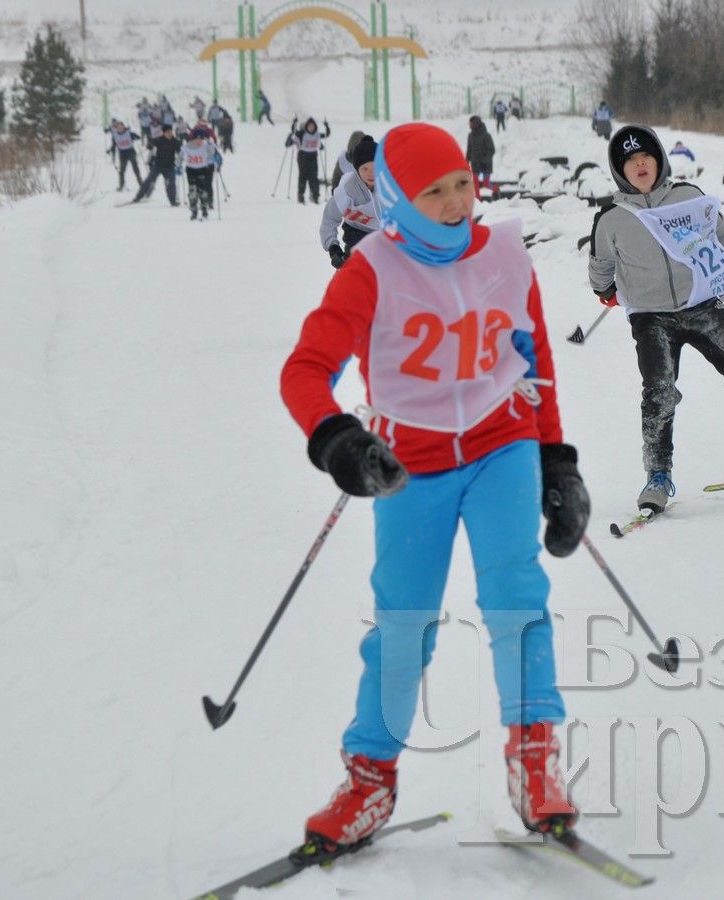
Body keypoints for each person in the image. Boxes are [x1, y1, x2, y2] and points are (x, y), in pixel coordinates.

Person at [280, 121, 589, 850]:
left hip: (499, 443)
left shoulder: (506, 255)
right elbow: (303, 370)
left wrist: (557, 461)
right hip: (407, 466)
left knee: (517, 596)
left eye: (461, 185)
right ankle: (368, 782)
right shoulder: (370, 271)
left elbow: (534, 358)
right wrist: (337, 439)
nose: (456, 203)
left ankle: (534, 759)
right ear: (395, 200)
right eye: (434, 192)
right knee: (402, 623)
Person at [587, 124, 724, 513]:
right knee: (659, 394)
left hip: (701, 305)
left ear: (659, 160)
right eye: (631, 161)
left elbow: (720, 232)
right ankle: (658, 475)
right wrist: (604, 289)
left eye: (647, 157)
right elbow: (601, 265)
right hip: (651, 318)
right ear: (620, 170)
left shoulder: (687, 197)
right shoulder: (612, 219)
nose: (641, 164)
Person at [320, 135, 380, 266]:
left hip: (385, 237)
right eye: (365, 169)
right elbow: (329, 219)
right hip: (356, 237)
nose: (370, 173)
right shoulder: (347, 191)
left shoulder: (389, 186)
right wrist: (333, 248)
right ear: (356, 169)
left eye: (374, 168)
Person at [132, 122, 181, 206]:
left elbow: (180, 152)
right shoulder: (159, 140)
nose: (169, 134)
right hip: (158, 166)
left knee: (171, 184)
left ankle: (173, 201)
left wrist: (180, 160)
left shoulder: (175, 141)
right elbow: (150, 146)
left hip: (169, 167)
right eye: (167, 132)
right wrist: (149, 145)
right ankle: (138, 196)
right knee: (148, 181)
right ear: (164, 132)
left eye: (170, 132)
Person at [286, 117, 331, 204]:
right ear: (306, 126)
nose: (311, 128)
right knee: (303, 176)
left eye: (313, 126)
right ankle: (301, 195)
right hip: (303, 156)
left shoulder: (317, 134)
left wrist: (327, 126)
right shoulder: (302, 134)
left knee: (313, 177)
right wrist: (294, 124)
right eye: (310, 126)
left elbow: (326, 134)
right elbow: (294, 132)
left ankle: (315, 195)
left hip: (313, 157)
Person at [181, 125, 221, 221]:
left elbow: (212, 153)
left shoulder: (206, 145)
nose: (199, 141)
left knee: (203, 191)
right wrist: (177, 165)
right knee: (192, 191)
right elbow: (180, 155)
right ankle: (194, 210)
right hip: (190, 170)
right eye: (197, 139)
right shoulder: (187, 146)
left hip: (202, 169)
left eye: (201, 139)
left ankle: (204, 209)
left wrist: (215, 157)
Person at [105, 119, 143, 191]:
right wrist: (109, 150)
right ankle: (121, 186)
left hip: (131, 152)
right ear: (116, 128)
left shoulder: (129, 133)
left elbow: (138, 137)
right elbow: (114, 145)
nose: (120, 129)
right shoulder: (115, 135)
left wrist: (136, 137)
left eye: (121, 127)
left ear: (123, 127)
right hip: (122, 154)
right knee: (122, 171)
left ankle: (141, 184)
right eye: (118, 128)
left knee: (136, 170)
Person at [466, 115, 495, 196]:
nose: (470, 125)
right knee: (476, 185)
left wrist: (485, 160)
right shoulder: (470, 136)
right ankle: (478, 201)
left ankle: (496, 190)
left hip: (485, 165)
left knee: (486, 184)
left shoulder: (486, 135)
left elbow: (491, 150)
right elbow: (469, 149)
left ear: (476, 124)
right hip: (475, 164)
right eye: (470, 123)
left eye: (471, 123)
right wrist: (466, 161)